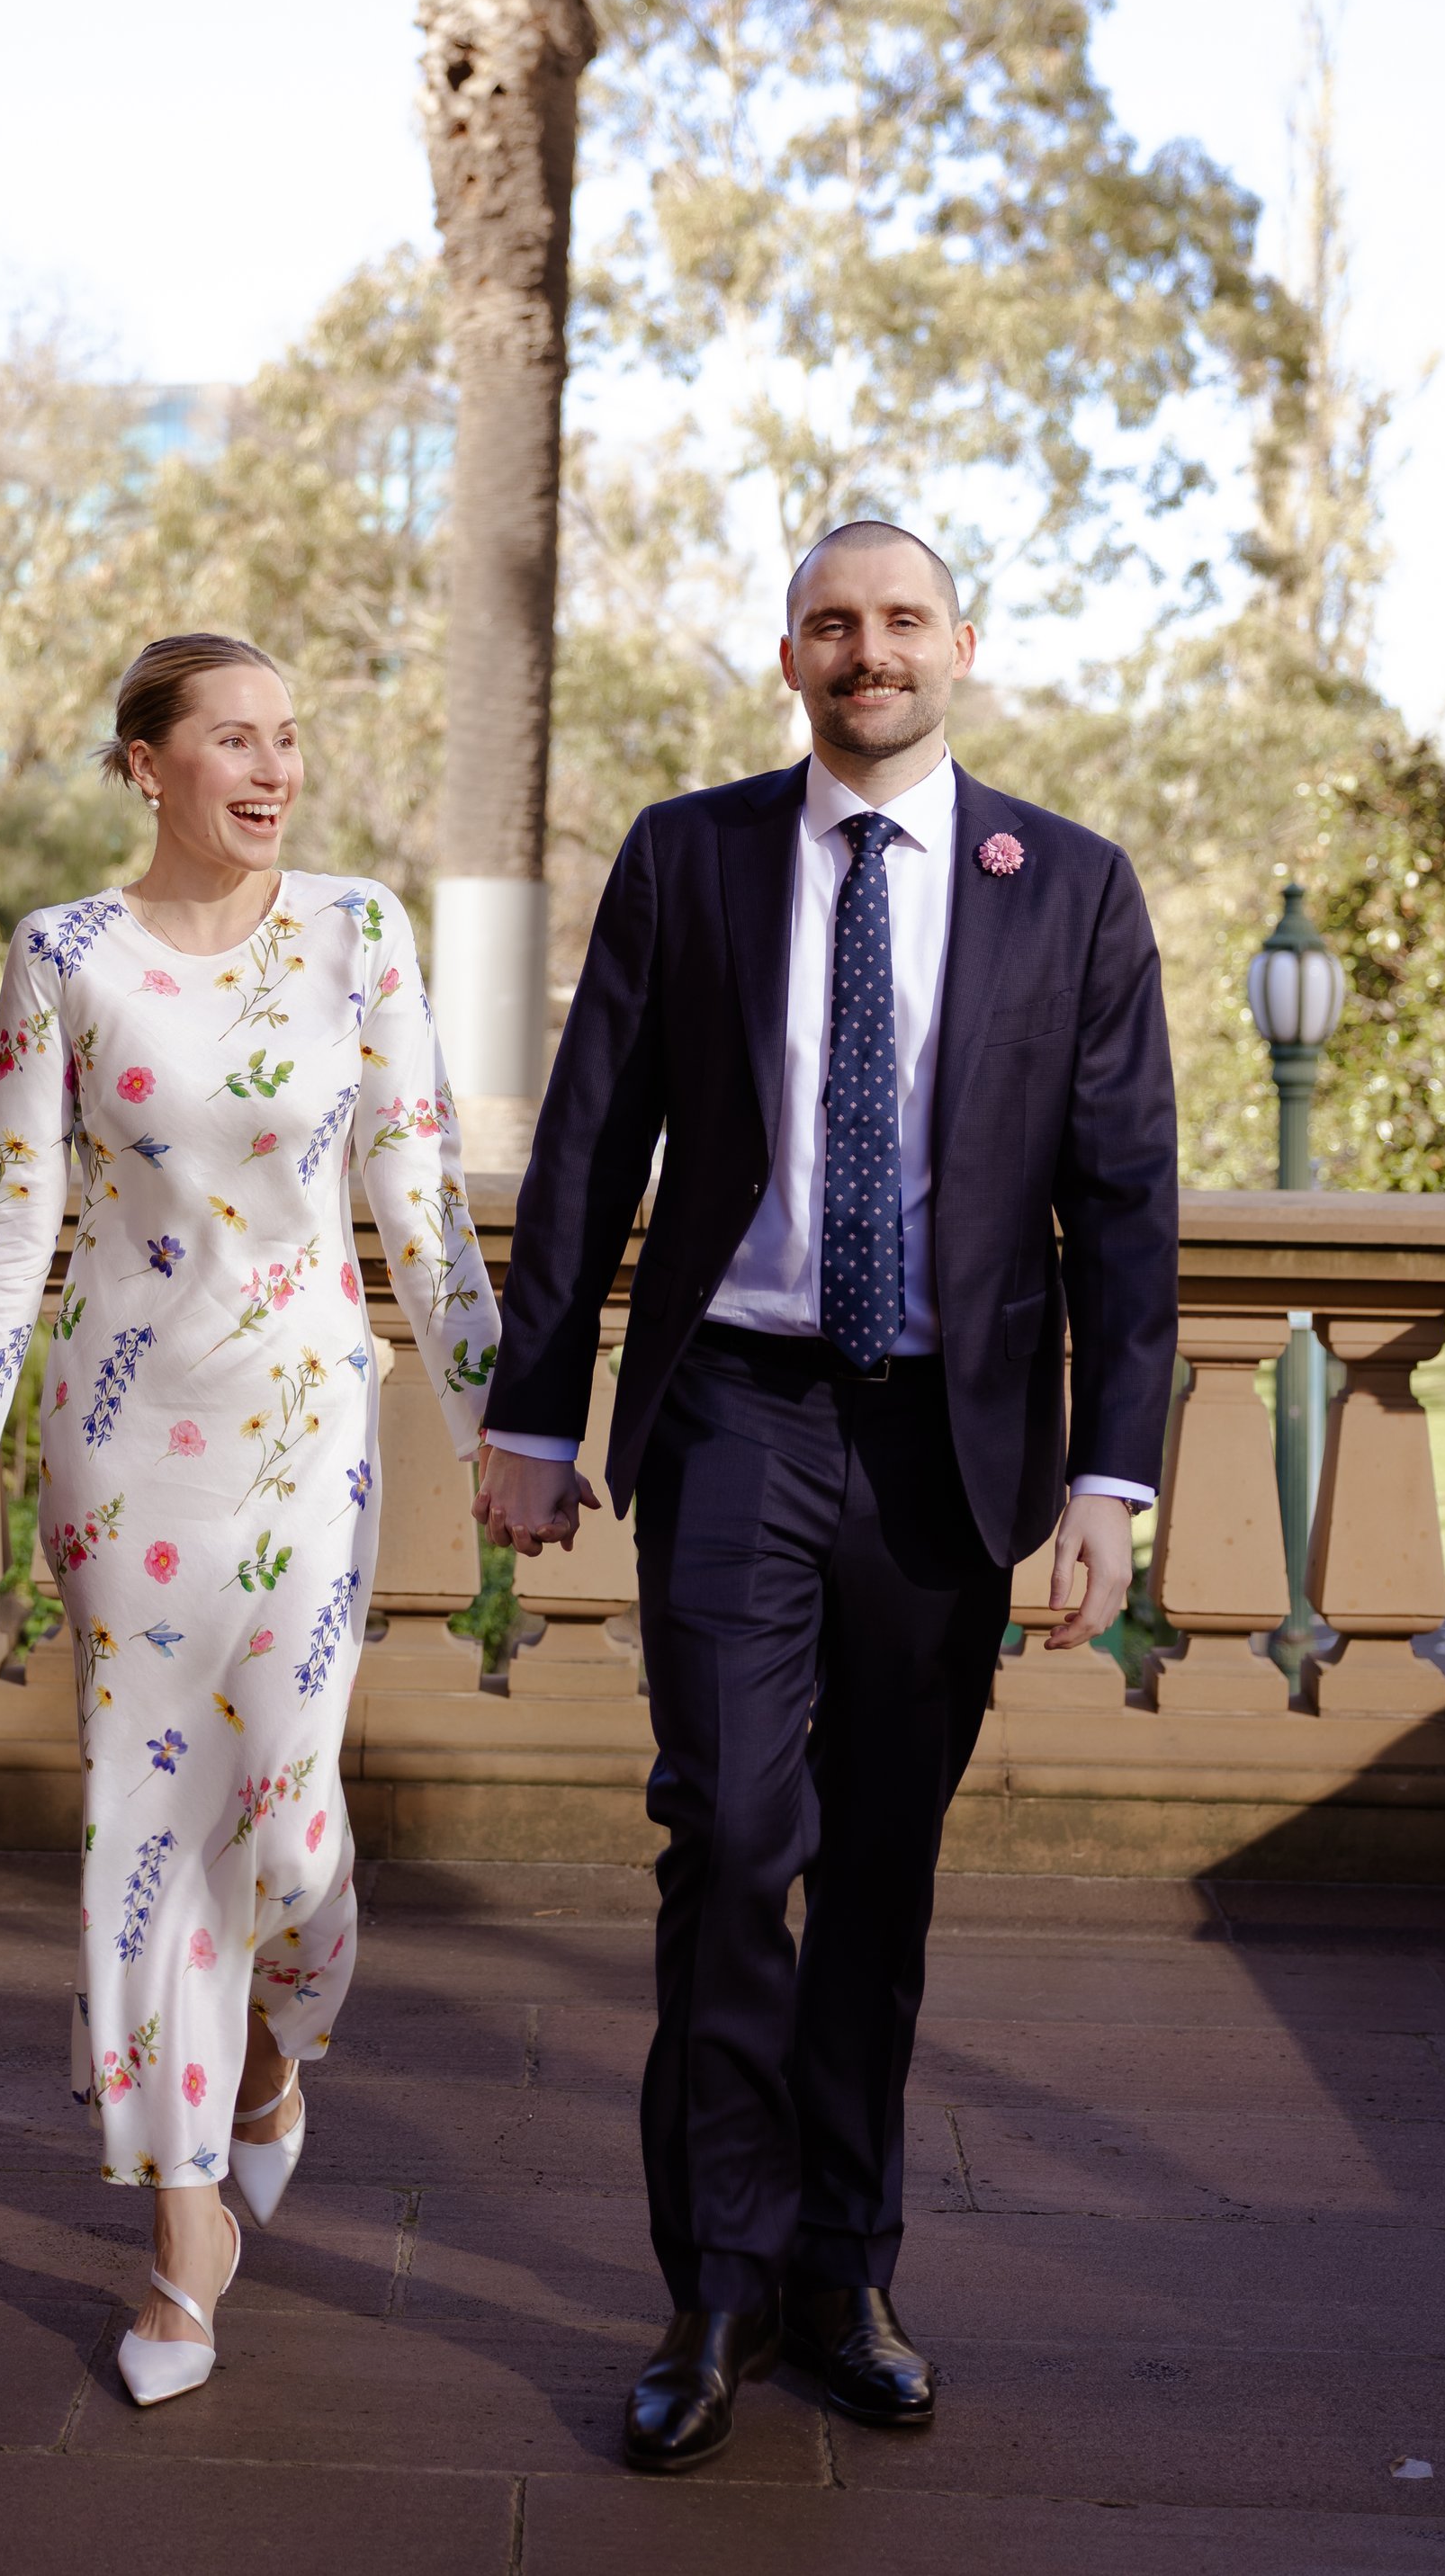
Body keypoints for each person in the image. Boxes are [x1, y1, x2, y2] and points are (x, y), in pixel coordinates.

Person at [476, 523, 1177, 2473]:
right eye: (830, 624)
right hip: (739, 1412)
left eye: (897, 622)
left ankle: (844, 2273)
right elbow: (587, 1151)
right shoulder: (686, 856)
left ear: (959, 643)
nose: (865, 653)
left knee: (875, 1864)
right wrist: (535, 1416)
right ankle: (713, 2287)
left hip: (947, 1448)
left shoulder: (1073, 889)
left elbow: (1121, 1205)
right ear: (783, 654)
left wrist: (1105, 1480)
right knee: (725, 1832)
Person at [0, 631, 496, 2408]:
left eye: (289, 738)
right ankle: (182, 2230)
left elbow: (421, 1205)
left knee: (290, 1836)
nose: (274, 768)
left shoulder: (360, 932)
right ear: (146, 762)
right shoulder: (61, 955)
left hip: (304, 1437)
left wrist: (502, 1422)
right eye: (235, 738)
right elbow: (6, 1230)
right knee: (145, 1828)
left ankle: (275, 2060)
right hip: (121, 1438)